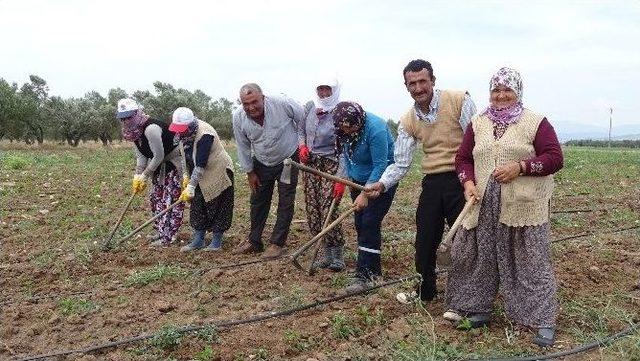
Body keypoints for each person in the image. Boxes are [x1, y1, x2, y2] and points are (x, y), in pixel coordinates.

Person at [444, 67, 564, 347]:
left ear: (517, 92)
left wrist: (521, 167)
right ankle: (477, 309)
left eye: (507, 90)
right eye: (496, 90)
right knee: (476, 255)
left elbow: (555, 158)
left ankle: (541, 320)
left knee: (531, 260)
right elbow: (462, 159)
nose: (501, 95)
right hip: (483, 202)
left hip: (522, 205)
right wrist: (468, 182)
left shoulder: (535, 122)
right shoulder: (478, 122)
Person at [367, 59, 477, 303]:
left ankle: (467, 295)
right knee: (425, 239)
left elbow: (476, 141)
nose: (418, 88)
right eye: (412, 83)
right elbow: (401, 162)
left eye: (422, 81)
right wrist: (382, 184)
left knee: (465, 238)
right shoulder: (408, 120)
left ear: (433, 81)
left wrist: (472, 180)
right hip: (433, 182)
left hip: (462, 178)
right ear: (406, 86)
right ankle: (425, 291)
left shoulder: (459, 100)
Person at [232, 83, 305, 258]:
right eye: (246, 104)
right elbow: (242, 145)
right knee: (257, 200)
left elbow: (302, 117)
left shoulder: (282, 103)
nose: (251, 107)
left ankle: (277, 244)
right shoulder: (238, 117)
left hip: (288, 159)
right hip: (262, 161)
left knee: (286, 200)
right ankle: (254, 241)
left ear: (263, 97)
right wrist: (250, 172)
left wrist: (302, 142)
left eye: (254, 102)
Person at [332, 101, 396, 292]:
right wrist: (342, 180)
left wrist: (365, 193)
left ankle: (367, 275)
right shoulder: (342, 129)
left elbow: (381, 164)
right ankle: (369, 267)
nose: (348, 132)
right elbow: (345, 156)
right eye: (344, 129)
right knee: (360, 222)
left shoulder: (375, 129)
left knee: (370, 221)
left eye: (351, 128)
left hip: (381, 179)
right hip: (357, 179)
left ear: (358, 121)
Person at [116, 98, 184, 247]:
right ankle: (161, 231)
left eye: (128, 117)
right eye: (122, 118)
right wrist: (137, 176)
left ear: (136, 113)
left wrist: (145, 175)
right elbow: (141, 156)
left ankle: (168, 237)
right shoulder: (133, 132)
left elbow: (158, 155)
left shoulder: (150, 128)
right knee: (156, 199)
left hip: (173, 164)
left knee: (169, 201)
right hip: (158, 167)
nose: (126, 121)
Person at [167, 107, 234, 252]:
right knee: (197, 204)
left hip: (217, 170)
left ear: (190, 125)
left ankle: (216, 242)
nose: (179, 131)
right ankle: (198, 240)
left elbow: (201, 164)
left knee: (218, 206)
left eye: (182, 129)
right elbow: (184, 157)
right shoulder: (183, 135)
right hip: (197, 171)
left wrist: (191, 186)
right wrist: (186, 177)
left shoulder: (205, 134)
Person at [298, 76, 346, 271]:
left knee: (329, 208)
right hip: (311, 166)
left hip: (331, 166)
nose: (324, 94)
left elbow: (345, 148)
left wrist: (341, 179)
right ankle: (325, 254)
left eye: (328, 90)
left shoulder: (341, 112)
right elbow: (300, 130)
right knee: (313, 210)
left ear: (334, 90)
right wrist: (302, 146)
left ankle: (338, 256)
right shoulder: (310, 108)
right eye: (321, 89)